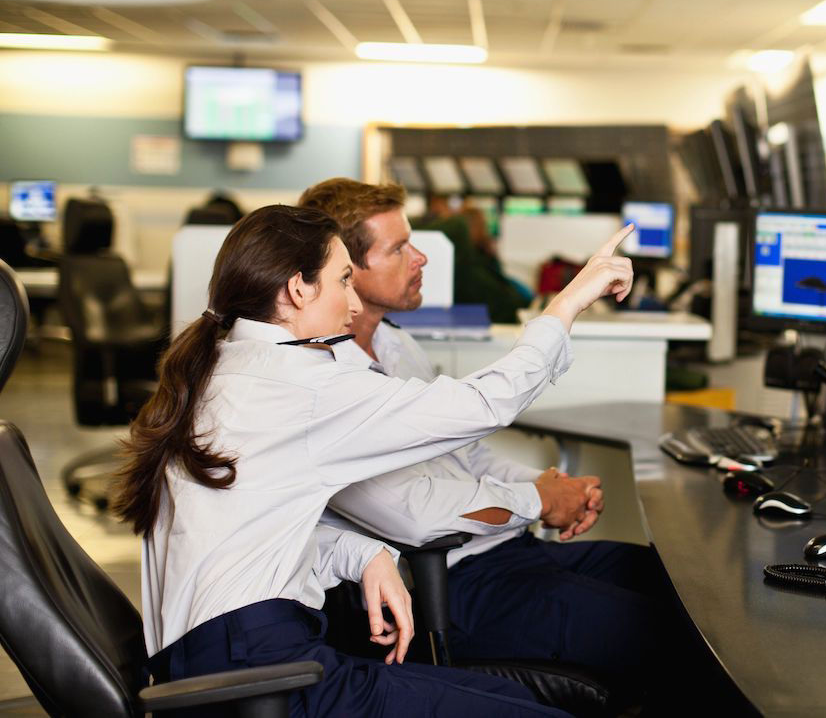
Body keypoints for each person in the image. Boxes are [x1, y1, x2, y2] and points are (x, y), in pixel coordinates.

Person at [113, 204, 634, 717]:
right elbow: (485, 404)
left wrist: (359, 553)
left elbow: (243, 536)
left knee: (520, 702)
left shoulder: (229, 367)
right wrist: (567, 303)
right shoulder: (303, 384)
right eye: (343, 280)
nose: (354, 304)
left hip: (231, 652)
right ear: (299, 289)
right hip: (258, 668)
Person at [297, 179, 699, 701]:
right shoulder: (328, 385)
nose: (420, 258)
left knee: (685, 587)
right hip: (454, 582)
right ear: (347, 270)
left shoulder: (397, 346)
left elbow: (466, 456)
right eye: (398, 248)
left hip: (507, 549)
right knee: (672, 638)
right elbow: (415, 515)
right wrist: (538, 500)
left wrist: (548, 485)